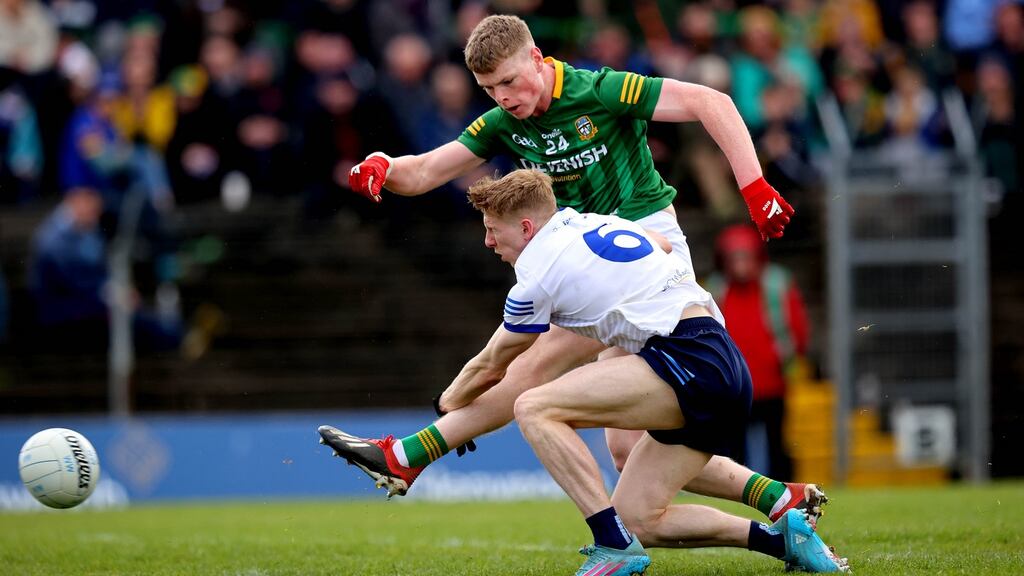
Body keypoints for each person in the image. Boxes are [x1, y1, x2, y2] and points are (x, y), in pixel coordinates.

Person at [332, 14, 817, 527]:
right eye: (490, 88)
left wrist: (754, 187)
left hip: (645, 250)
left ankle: (411, 454)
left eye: (511, 81)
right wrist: (384, 165)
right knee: (628, 454)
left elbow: (709, 101)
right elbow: (427, 169)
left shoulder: (600, 89)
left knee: (532, 366)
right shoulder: (505, 122)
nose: (503, 96)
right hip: (591, 263)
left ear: (537, 59)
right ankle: (775, 498)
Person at [322, 170, 848, 575]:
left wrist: (449, 403)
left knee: (534, 405)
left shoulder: (536, 273)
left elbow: (491, 364)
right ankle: (783, 535)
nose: (489, 243)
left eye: (493, 230)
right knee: (641, 514)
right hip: (713, 358)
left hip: (690, 359)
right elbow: (663, 247)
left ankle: (612, 545)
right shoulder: (587, 222)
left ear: (526, 227)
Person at [706, 224, 810, 479]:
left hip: (772, 383)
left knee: (778, 444)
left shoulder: (777, 284)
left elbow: (798, 329)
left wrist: (784, 358)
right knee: (733, 450)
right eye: (734, 258)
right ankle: (739, 496)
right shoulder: (715, 290)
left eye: (746, 257)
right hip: (733, 386)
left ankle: (787, 495)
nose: (741, 265)